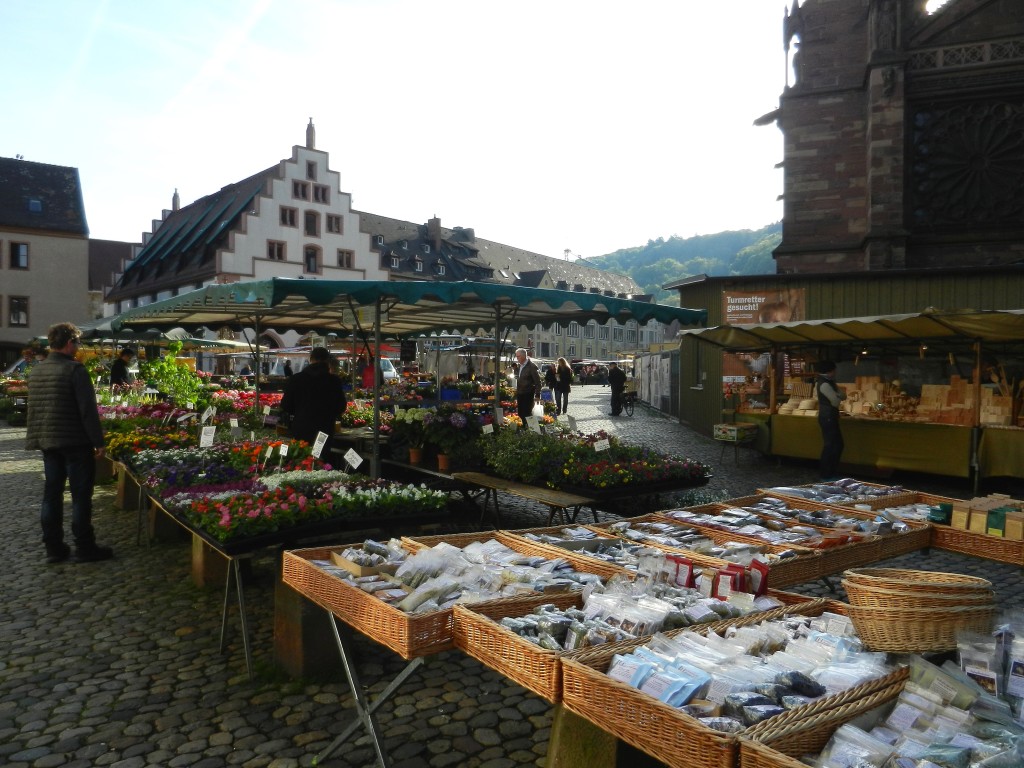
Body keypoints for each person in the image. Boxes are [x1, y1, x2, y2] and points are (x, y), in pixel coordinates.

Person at [26, 322, 113, 564]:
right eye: (77, 342)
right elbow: (88, 411)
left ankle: (53, 547)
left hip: (48, 441)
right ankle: (85, 546)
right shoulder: (75, 370)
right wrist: (98, 441)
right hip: (75, 441)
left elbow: (35, 410)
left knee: (51, 495)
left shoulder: (37, 371)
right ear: (68, 343)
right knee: (80, 496)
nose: (78, 347)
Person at [280, 347, 347, 451]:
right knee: (320, 457)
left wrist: (300, 411)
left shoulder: (296, 379)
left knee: (302, 457)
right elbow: (341, 407)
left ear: (310, 359)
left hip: (301, 428)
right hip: (324, 430)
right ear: (327, 360)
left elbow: (285, 405)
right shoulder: (334, 381)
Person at [816, 360, 847, 479]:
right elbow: (835, 401)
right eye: (834, 370)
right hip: (827, 416)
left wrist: (838, 395)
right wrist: (838, 395)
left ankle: (831, 471)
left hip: (830, 416)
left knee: (837, 444)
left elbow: (843, 395)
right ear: (830, 371)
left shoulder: (830, 382)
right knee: (831, 445)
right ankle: (826, 474)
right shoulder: (824, 384)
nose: (835, 372)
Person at [514, 348, 541, 422]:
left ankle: (528, 427)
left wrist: (537, 394)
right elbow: (518, 378)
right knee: (520, 413)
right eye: (516, 356)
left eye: (518, 356)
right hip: (520, 393)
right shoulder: (519, 366)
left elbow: (537, 381)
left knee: (527, 413)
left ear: (523, 356)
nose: (517, 358)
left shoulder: (531, 366)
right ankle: (523, 427)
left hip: (528, 393)